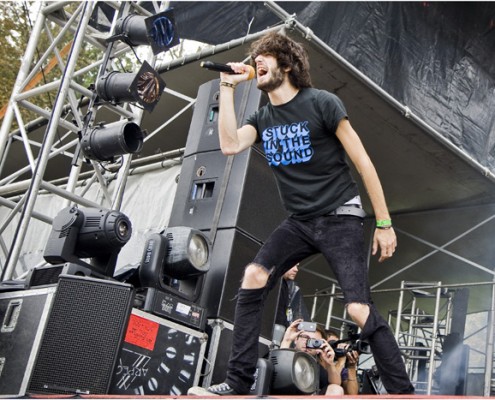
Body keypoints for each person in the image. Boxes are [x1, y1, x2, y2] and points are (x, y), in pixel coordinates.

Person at [188, 31, 414, 396]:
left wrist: (384, 222)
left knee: (358, 309)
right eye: (255, 57)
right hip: (300, 222)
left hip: (341, 216)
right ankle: (237, 383)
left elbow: (364, 163)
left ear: (288, 65)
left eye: (267, 55)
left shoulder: (323, 103)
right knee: (254, 276)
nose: (257, 61)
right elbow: (229, 145)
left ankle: (403, 392)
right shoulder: (262, 118)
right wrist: (227, 88)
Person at [280, 320, 344, 395]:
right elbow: (279, 370)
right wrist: (286, 341)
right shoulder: (286, 355)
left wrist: (330, 363)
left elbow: (336, 384)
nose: (308, 343)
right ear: (296, 339)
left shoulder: (315, 366)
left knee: (336, 389)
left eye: (314, 341)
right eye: (305, 337)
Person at [275, 263, 310, 328]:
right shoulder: (275, 283)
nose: (296, 270)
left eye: (297, 266)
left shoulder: (284, 285)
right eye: (292, 265)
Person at [326, 329, 360, 395]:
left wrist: (352, 367)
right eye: (333, 344)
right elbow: (329, 383)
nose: (336, 347)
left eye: (338, 343)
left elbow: (352, 394)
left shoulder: (343, 369)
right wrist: (341, 361)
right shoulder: (318, 362)